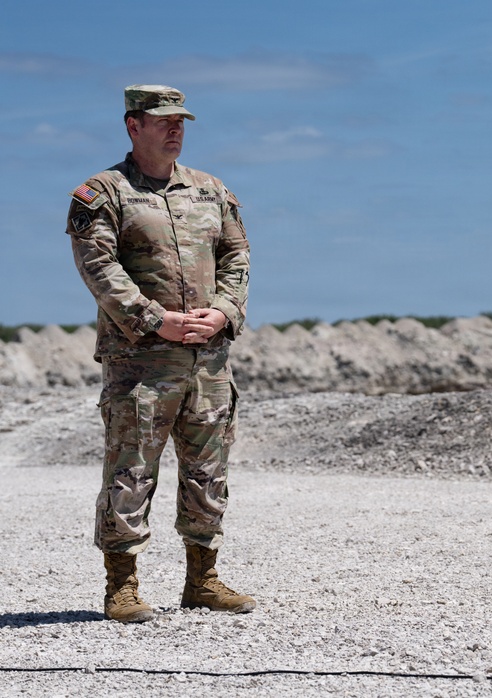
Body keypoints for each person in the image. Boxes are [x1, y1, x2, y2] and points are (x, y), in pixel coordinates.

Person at [66, 84, 254, 623]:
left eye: (181, 121)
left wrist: (222, 312)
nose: (175, 129)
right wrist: (156, 321)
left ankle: (203, 578)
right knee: (131, 471)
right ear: (134, 125)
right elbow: (99, 268)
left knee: (208, 470)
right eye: (163, 120)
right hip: (141, 361)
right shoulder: (103, 193)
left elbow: (236, 256)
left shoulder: (210, 190)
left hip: (208, 360)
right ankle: (121, 587)